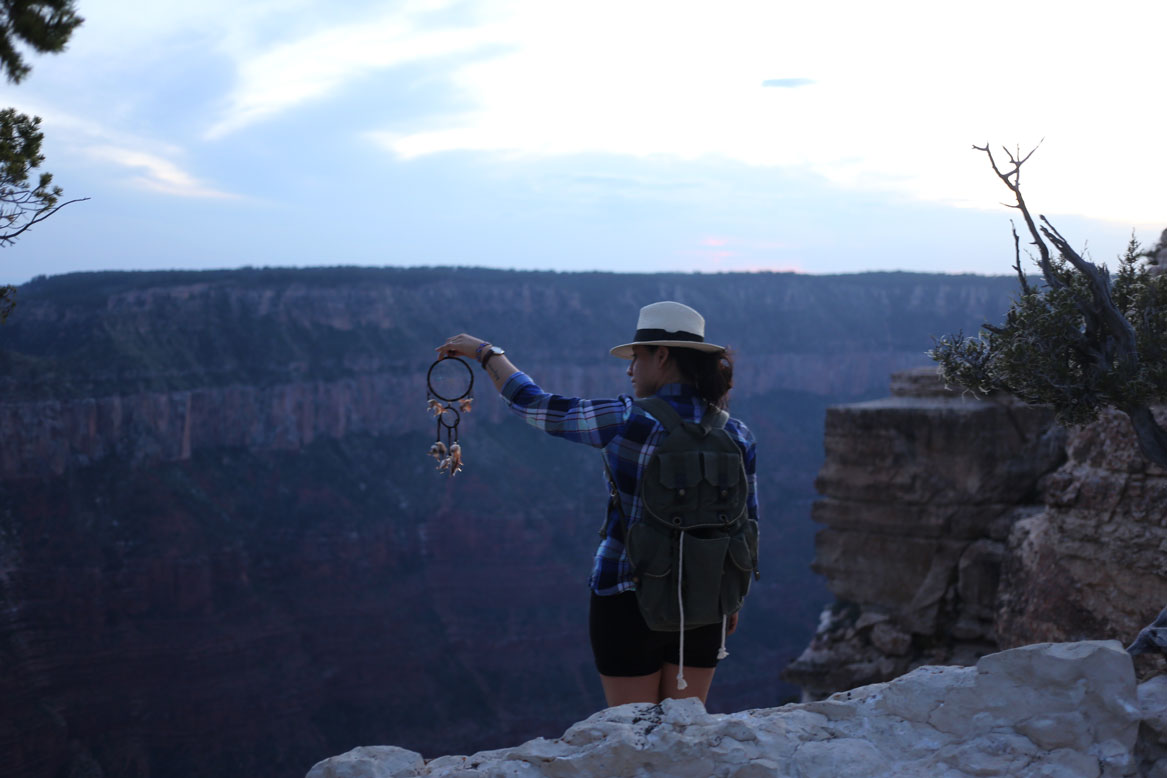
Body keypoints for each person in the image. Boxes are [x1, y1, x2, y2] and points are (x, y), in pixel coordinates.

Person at [436, 301, 757, 707]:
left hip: (627, 595)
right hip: (706, 600)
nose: (629, 370)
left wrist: (487, 353)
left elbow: (536, 405)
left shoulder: (628, 418)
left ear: (661, 356)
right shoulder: (738, 434)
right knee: (685, 734)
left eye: (636, 358)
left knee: (632, 735)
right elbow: (746, 524)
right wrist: (732, 598)